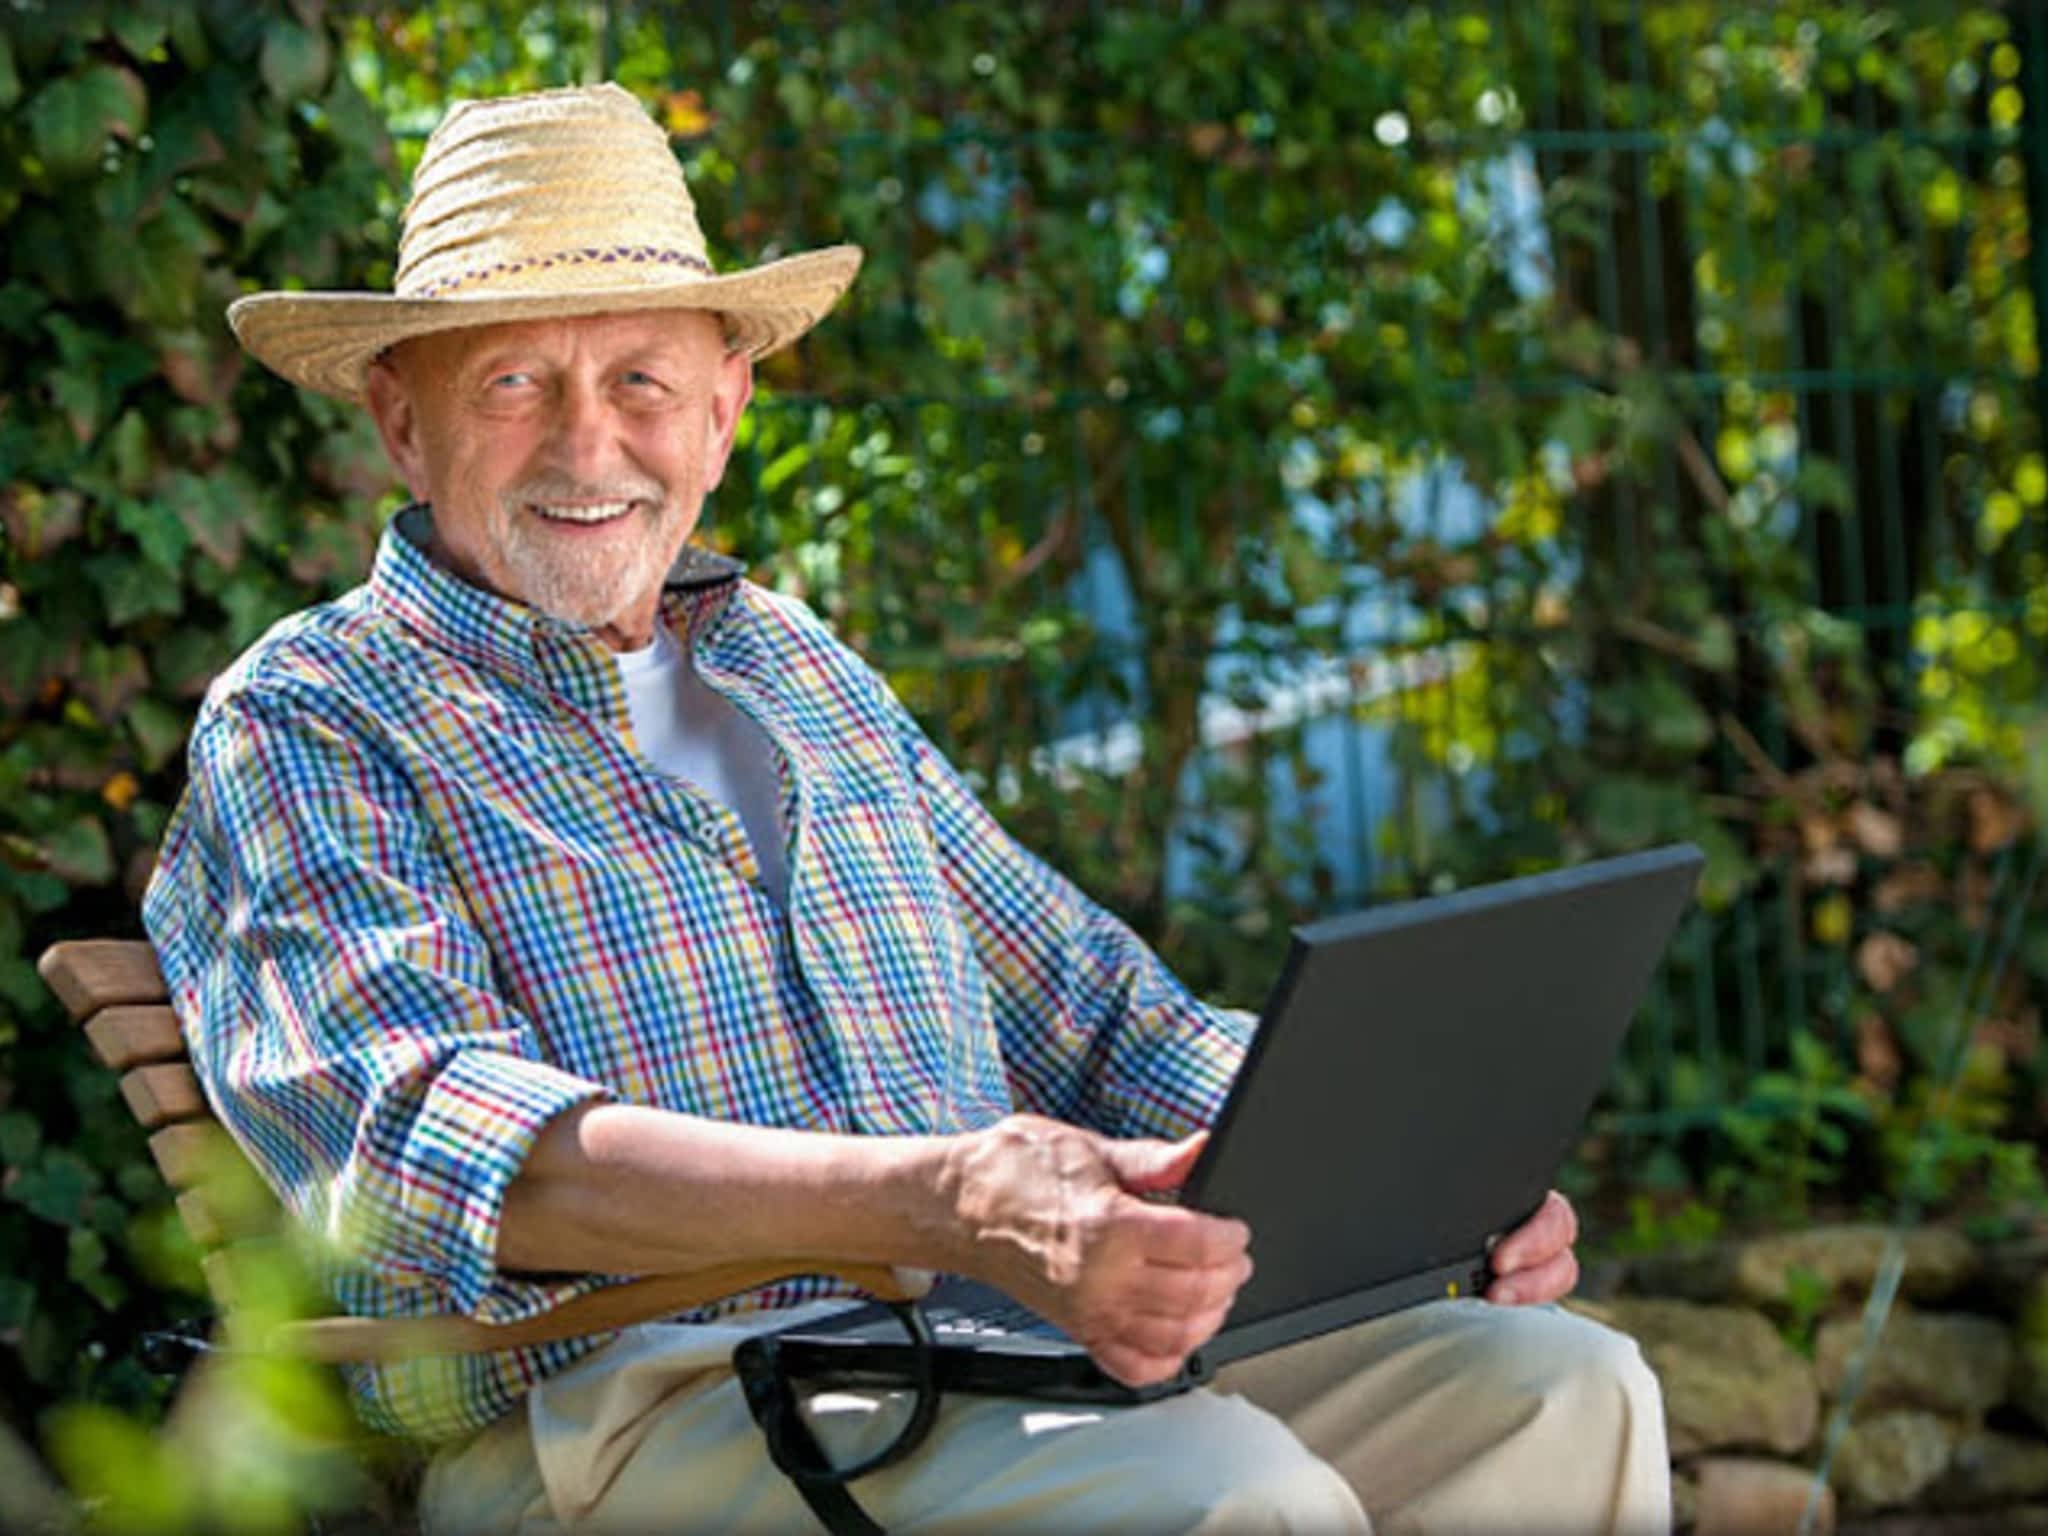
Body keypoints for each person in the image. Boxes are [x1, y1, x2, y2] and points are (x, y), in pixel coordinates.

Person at [144, 83, 1669, 1534]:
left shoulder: (788, 662)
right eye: (514, 384)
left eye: (641, 383)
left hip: (979, 1343)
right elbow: (422, 1148)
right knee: (1217, 1501)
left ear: (724, 412)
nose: (586, 444)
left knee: (1559, 1392)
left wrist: (1408, 1164)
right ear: (403, 425)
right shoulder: (313, 718)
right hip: (632, 1401)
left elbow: (1098, 1013)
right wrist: (939, 1201)